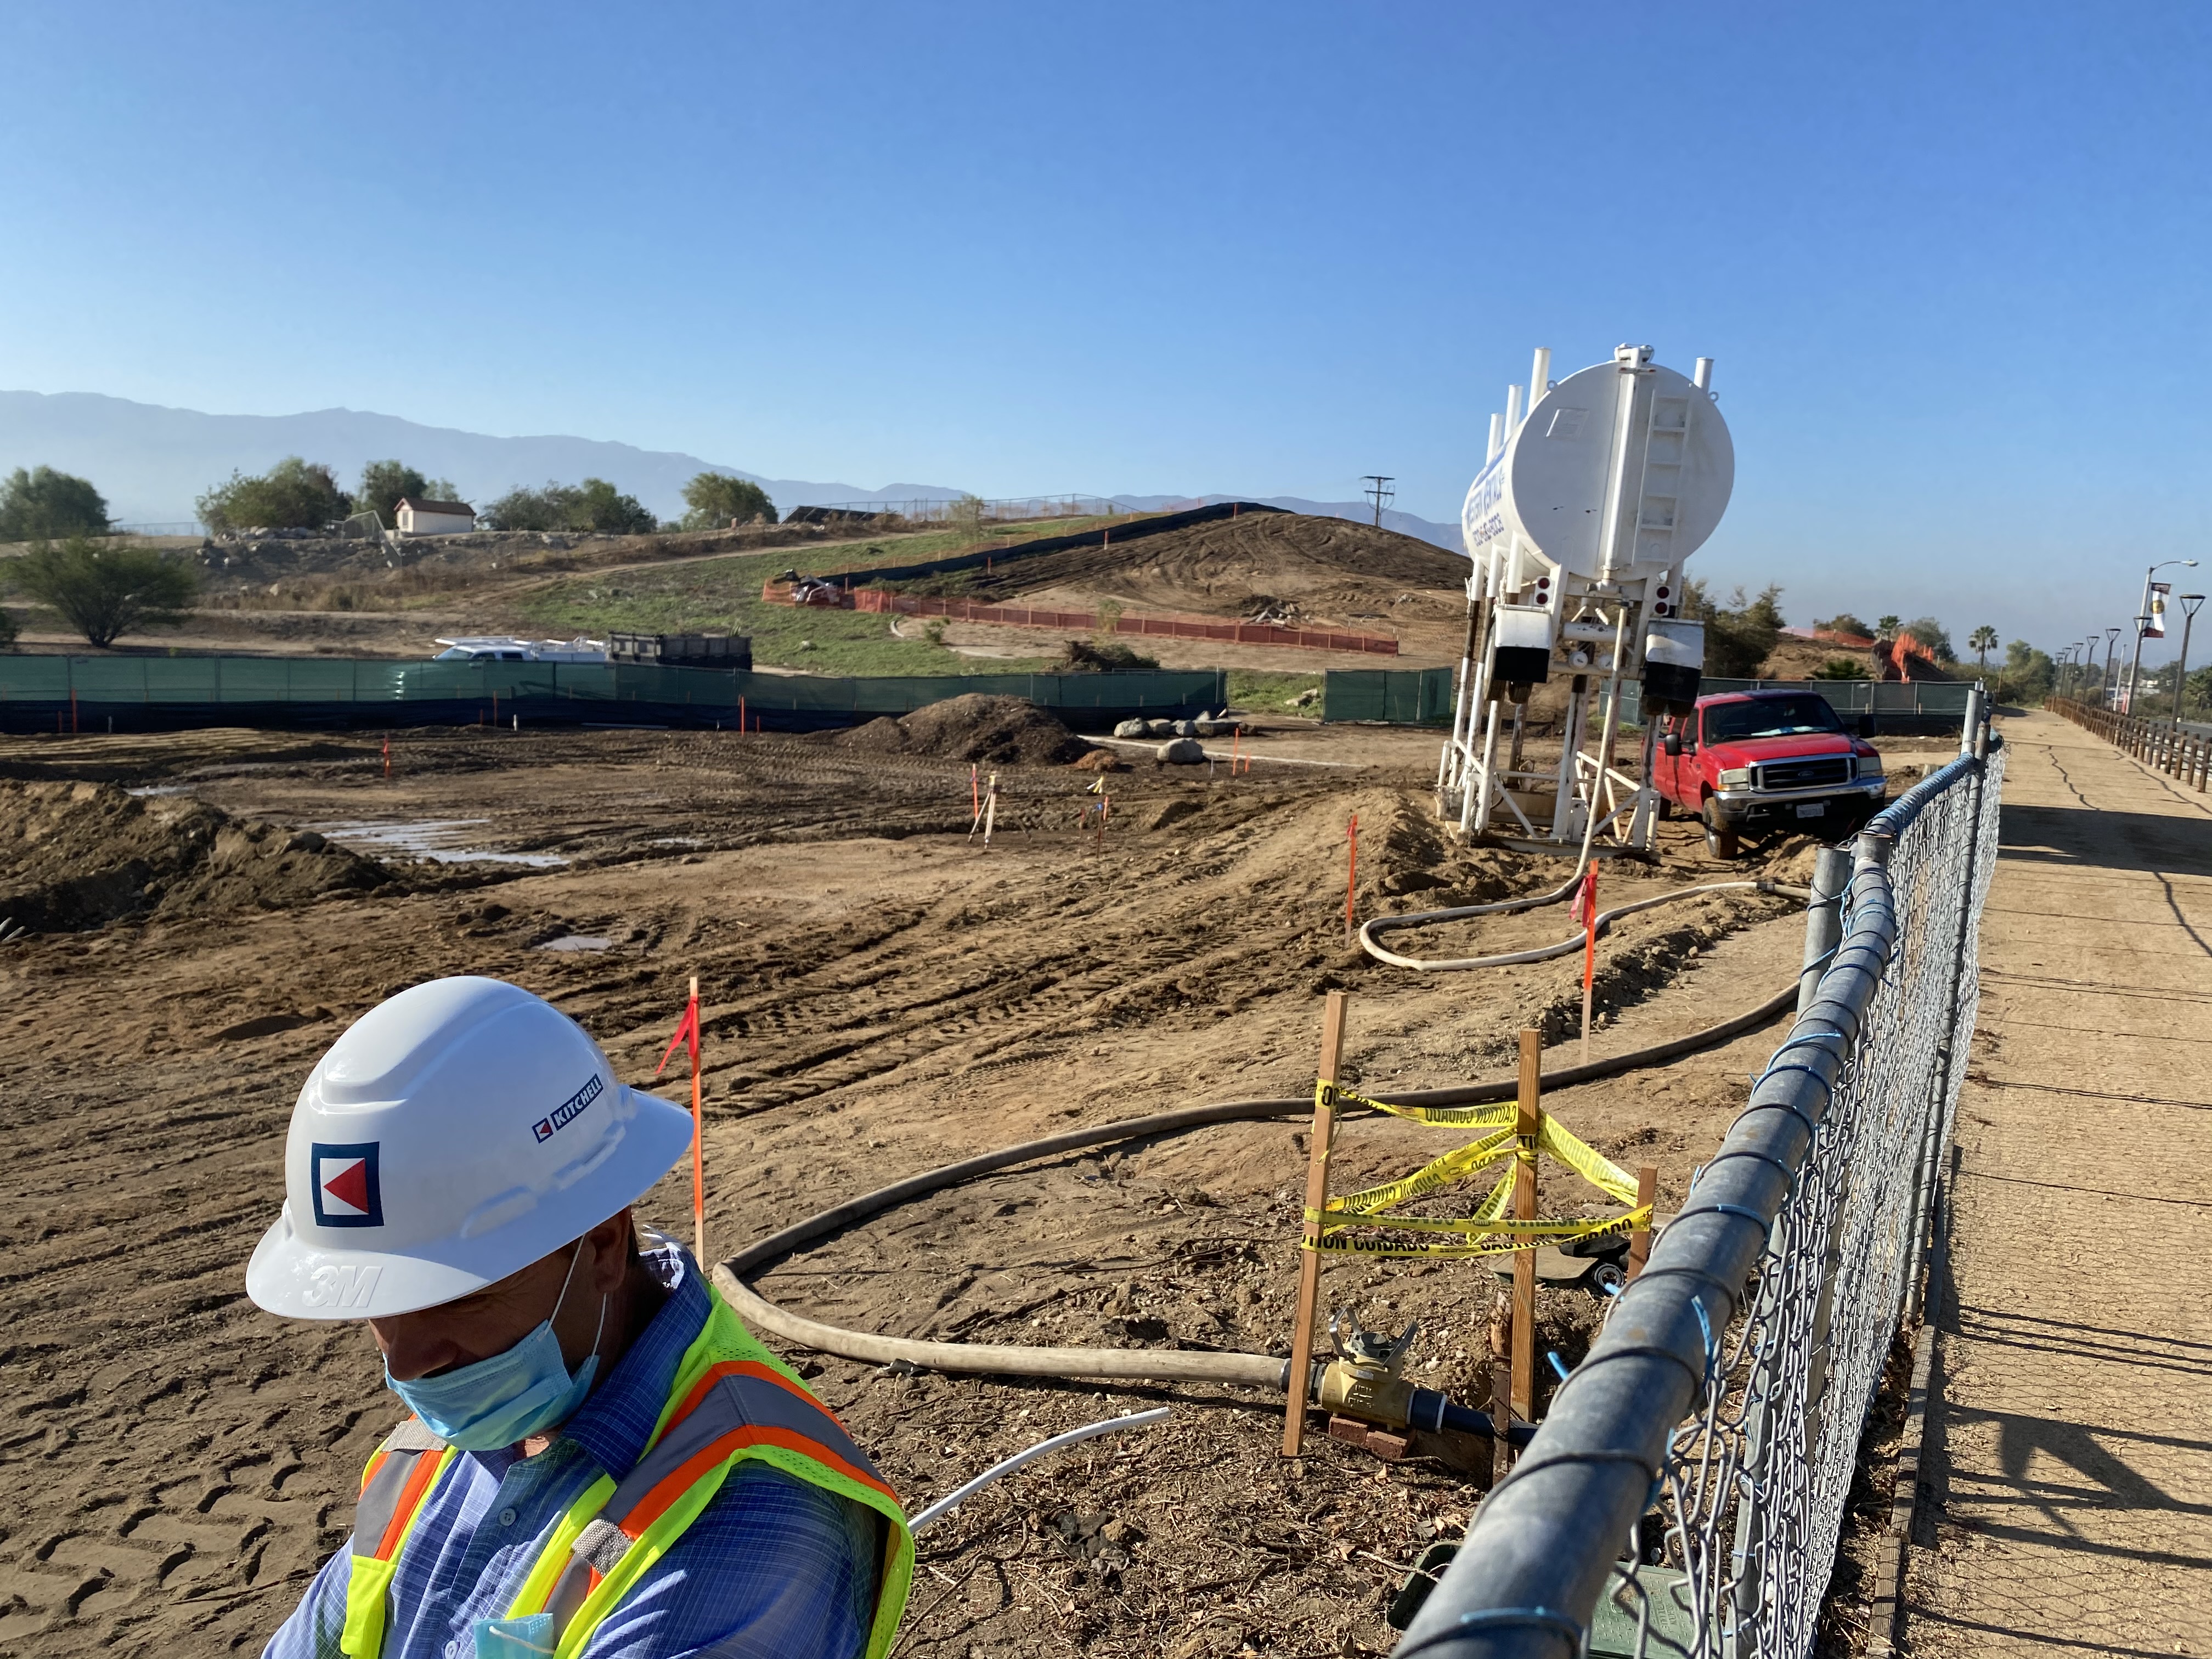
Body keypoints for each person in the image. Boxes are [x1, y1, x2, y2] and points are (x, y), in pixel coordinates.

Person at [248, 975, 911, 1658]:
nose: (405, 1363)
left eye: (459, 1296)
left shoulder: (747, 1527)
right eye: (378, 1309)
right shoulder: (431, 1456)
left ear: (601, 1244)